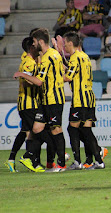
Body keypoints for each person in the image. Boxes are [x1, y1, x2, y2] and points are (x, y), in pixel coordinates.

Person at [14, 28, 67, 172]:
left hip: (53, 99)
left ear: (41, 41)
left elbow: (38, 82)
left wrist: (22, 75)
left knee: (56, 130)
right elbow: (64, 73)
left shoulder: (48, 57)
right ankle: (30, 155)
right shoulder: (52, 55)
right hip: (45, 100)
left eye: (35, 41)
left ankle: (61, 163)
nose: (34, 44)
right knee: (37, 128)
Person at [63, 31, 107, 170]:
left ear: (71, 43)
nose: (65, 47)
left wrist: (52, 75)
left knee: (72, 128)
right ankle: (99, 161)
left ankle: (77, 161)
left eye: (65, 44)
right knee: (86, 130)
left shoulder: (75, 57)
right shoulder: (85, 57)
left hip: (79, 99)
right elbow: (73, 71)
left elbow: (68, 77)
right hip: (89, 98)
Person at [4, 37, 41, 172]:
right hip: (28, 103)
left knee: (27, 132)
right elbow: (25, 81)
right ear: (31, 46)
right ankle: (32, 161)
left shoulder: (29, 60)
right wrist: (38, 83)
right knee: (39, 131)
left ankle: (12, 159)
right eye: (36, 44)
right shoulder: (28, 63)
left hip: (27, 103)